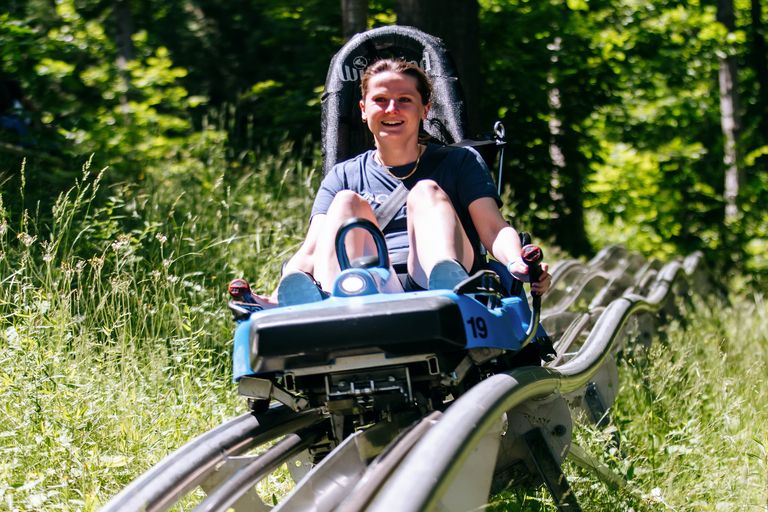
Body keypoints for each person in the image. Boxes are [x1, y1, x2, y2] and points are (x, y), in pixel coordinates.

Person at [251, 58, 550, 306]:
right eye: (380, 100)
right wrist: (276, 297)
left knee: (426, 191)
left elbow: (494, 229)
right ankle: (333, 302)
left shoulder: (459, 162)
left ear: (425, 109)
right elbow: (312, 248)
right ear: (363, 109)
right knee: (345, 202)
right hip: (368, 286)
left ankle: (447, 290)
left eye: (404, 100)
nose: (391, 109)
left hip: (435, 278)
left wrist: (517, 261)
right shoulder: (343, 176)